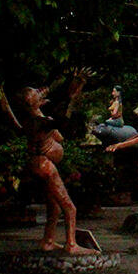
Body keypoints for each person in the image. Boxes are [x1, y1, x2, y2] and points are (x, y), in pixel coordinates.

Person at [21, 86, 96, 254]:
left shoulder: (33, 119)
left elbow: (58, 135)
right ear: (35, 103)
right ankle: (71, 244)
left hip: (40, 164)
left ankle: (48, 240)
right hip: (45, 166)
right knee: (69, 208)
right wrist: (70, 99)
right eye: (37, 94)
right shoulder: (39, 122)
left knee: (54, 206)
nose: (41, 94)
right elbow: (62, 125)